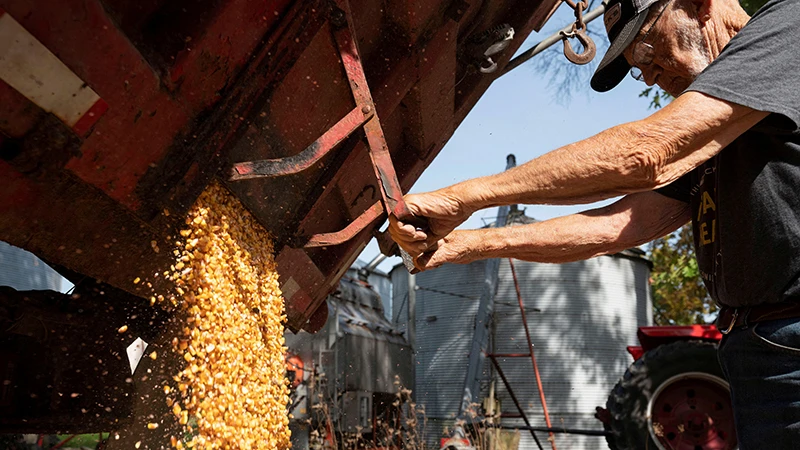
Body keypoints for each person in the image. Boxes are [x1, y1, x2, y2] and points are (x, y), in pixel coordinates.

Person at [388, 0, 800, 446]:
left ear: (698, 5)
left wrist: (465, 196)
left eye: (645, 50)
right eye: (637, 68)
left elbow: (646, 153)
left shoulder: (787, 28)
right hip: (756, 350)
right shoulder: (722, 128)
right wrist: (464, 245)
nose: (651, 74)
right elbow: (621, 224)